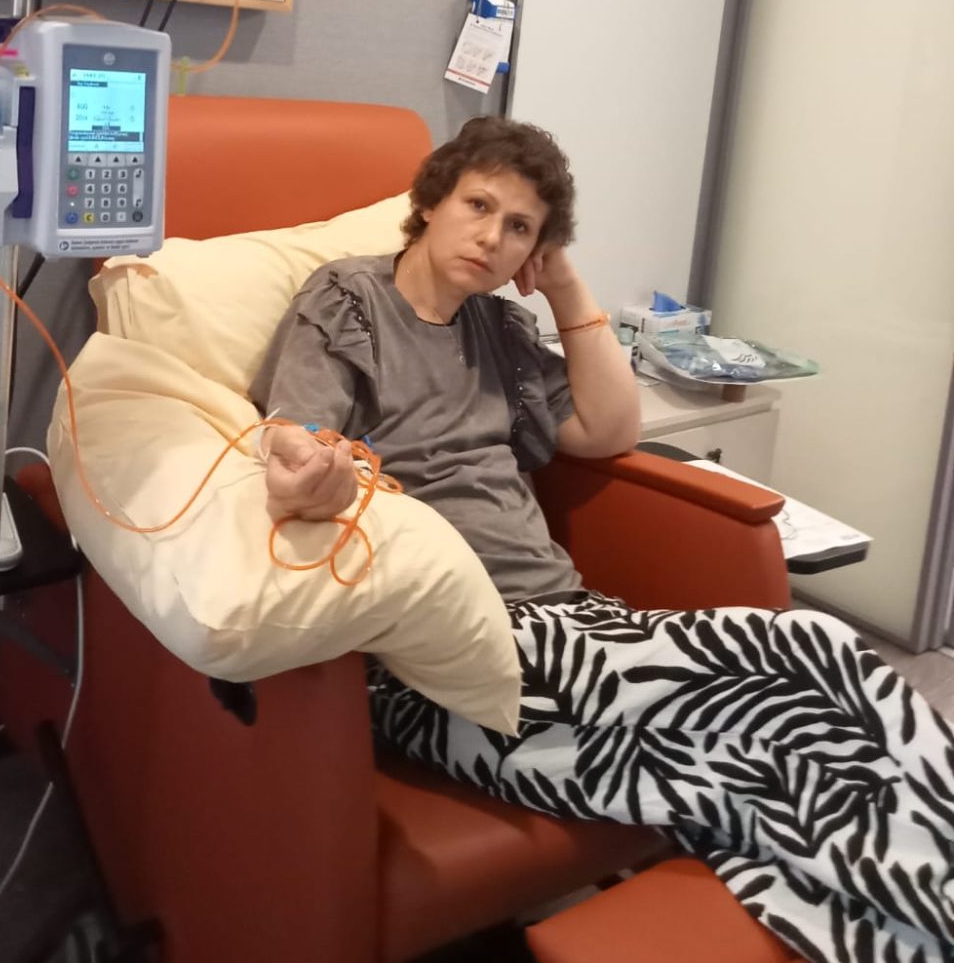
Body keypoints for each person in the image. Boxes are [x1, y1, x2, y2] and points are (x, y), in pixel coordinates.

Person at [250, 116, 954, 963]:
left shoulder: (499, 332)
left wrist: (566, 290)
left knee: (810, 671)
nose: (493, 237)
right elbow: (294, 434)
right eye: (479, 206)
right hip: (448, 658)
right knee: (783, 707)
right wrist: (307, 473)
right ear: (431, 202)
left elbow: (608, 429)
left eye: (521, 228)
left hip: (567, 622)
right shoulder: (349, 299)